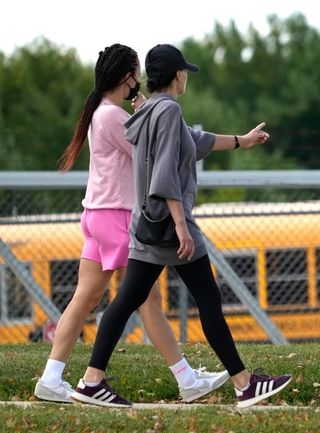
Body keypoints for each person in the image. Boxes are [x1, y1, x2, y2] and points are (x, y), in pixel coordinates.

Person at [71, 43, 292, 409]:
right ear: (177, 76)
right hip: (171, 228)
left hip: (145, 226)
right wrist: (182, 225)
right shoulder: (169, 110)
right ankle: (244, 384)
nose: (186, 76)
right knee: (208, 300)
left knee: (127, 300)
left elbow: (195, 142)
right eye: (184, 71)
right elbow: (164, 176)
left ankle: (91, 380)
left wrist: (242, 141)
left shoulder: (147, 112)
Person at [35, 43, 229, 405]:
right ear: (127, 78)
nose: (139, 80)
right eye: (136, 74)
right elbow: (151, 152)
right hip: (116, 216)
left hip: (96, 215)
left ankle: (52, 376)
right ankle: (185, 378)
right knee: (148, 299)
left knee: (86, 298)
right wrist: (146, 117)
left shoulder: (103, 113)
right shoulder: (112, 116)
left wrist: (141, 115)